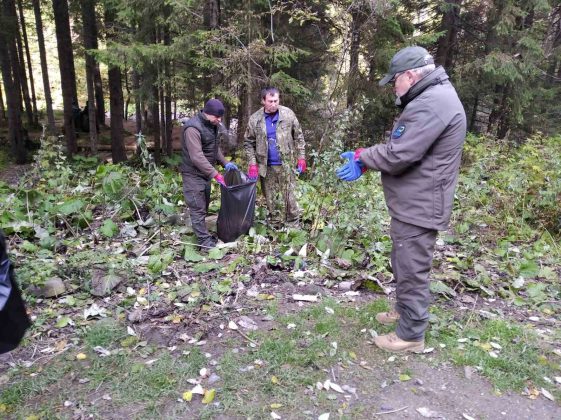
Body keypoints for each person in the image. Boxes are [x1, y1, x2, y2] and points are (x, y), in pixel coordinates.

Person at [336, 46, 467, 353]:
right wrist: (365, 157)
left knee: (411, 266)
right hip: (416, 200)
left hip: (420, 204)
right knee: (402, 260)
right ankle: (404, 311)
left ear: (409, 75)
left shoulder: (431, 103)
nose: (393, 87)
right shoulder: (433, 96)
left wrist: (362, 157)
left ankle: (410, 335)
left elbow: (401, 154)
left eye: (395, 80)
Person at [244, 87, 306, 227]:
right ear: (263, 101)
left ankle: (293, 226)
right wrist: (252, 163)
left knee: (289, 197)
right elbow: (248, 143)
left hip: (286, 164)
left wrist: (301, 157)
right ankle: (276, 226)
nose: (273, 104)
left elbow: (299, 137)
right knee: (271, 199)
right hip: (266, 166)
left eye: (276, 101)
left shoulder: (288, 114)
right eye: (270, 101)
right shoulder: (255, 119)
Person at [180, 99, 238, 250]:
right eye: (217, 117)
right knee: (197, 208)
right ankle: (204, 243)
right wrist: (215, 174)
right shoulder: (192, 128)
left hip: (204, 174)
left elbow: (213, 148)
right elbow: (196, 156)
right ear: (207, 113)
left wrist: (225, 163)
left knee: (203, 206)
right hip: (192, 174)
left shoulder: (211, 125)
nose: (219, 120)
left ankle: (203, 235)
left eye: (220, 117)